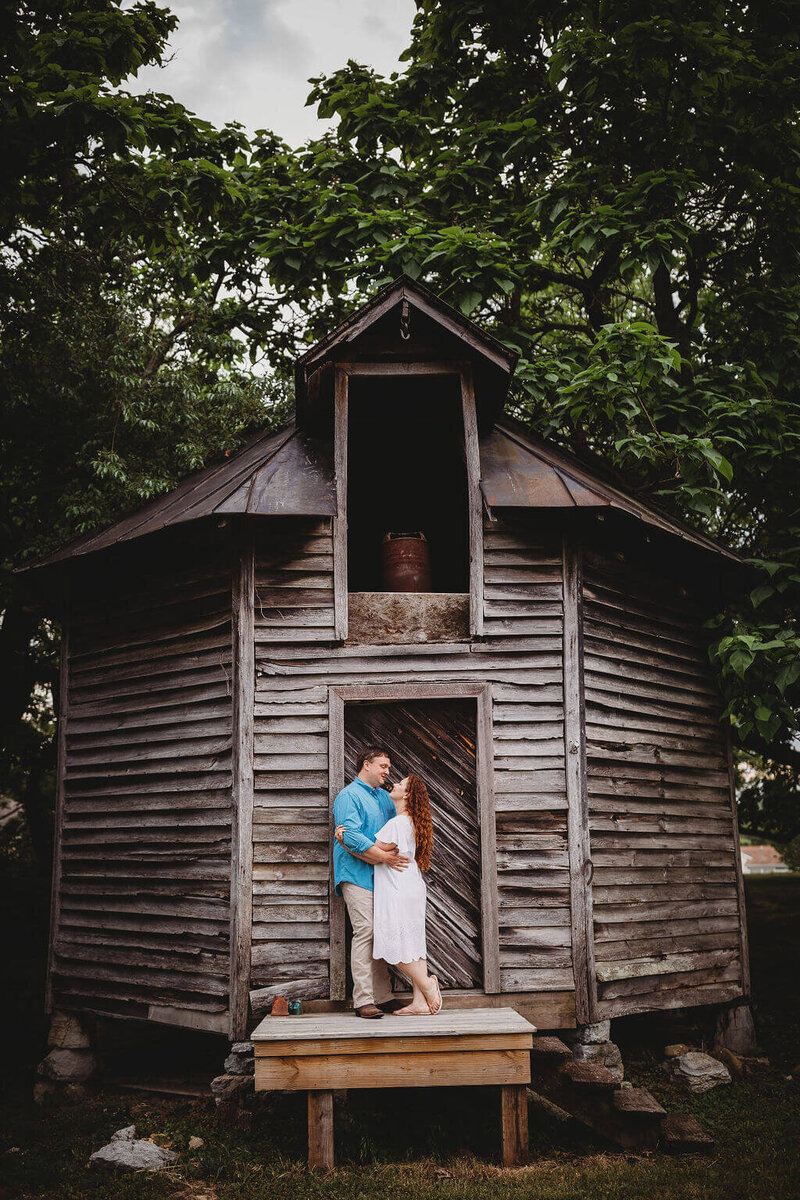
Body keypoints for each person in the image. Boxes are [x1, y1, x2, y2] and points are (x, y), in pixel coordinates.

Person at [332, 746, 410, 1019]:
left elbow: (396, 834)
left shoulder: (385, 799)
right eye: (383, 766)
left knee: (381, 932)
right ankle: (363, 1000)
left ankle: (383, 996)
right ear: (366, 765)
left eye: (388, 767)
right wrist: (383, 857)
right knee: (365, 931)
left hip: (382, 878)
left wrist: (385, 858)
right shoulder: (348, 796)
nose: (387, 772)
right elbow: (350, 837)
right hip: (355, 874)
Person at [371, 773, 442, 1016]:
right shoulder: (411, 822)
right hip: (412, 886)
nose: (395, 785)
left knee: (390, 944)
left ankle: (427, 986)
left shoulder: (397, 824)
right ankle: (419, 1003)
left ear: (407, 795)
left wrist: (344, 836)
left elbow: (372, 850)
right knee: (413, 944)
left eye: (400, 784)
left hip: (397, 888)